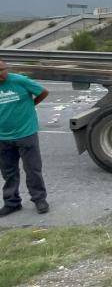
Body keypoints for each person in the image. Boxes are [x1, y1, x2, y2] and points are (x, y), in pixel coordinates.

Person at [0, 60, 49, 216]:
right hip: (3, 136)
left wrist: (31, 105)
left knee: (33, 169)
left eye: (2, 70)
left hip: (26, 133)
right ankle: (12, 202)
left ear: (6, 68)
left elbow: (43, 92)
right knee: (8, 172)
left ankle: (39, 199)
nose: (1, 74)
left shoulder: (19, 80)